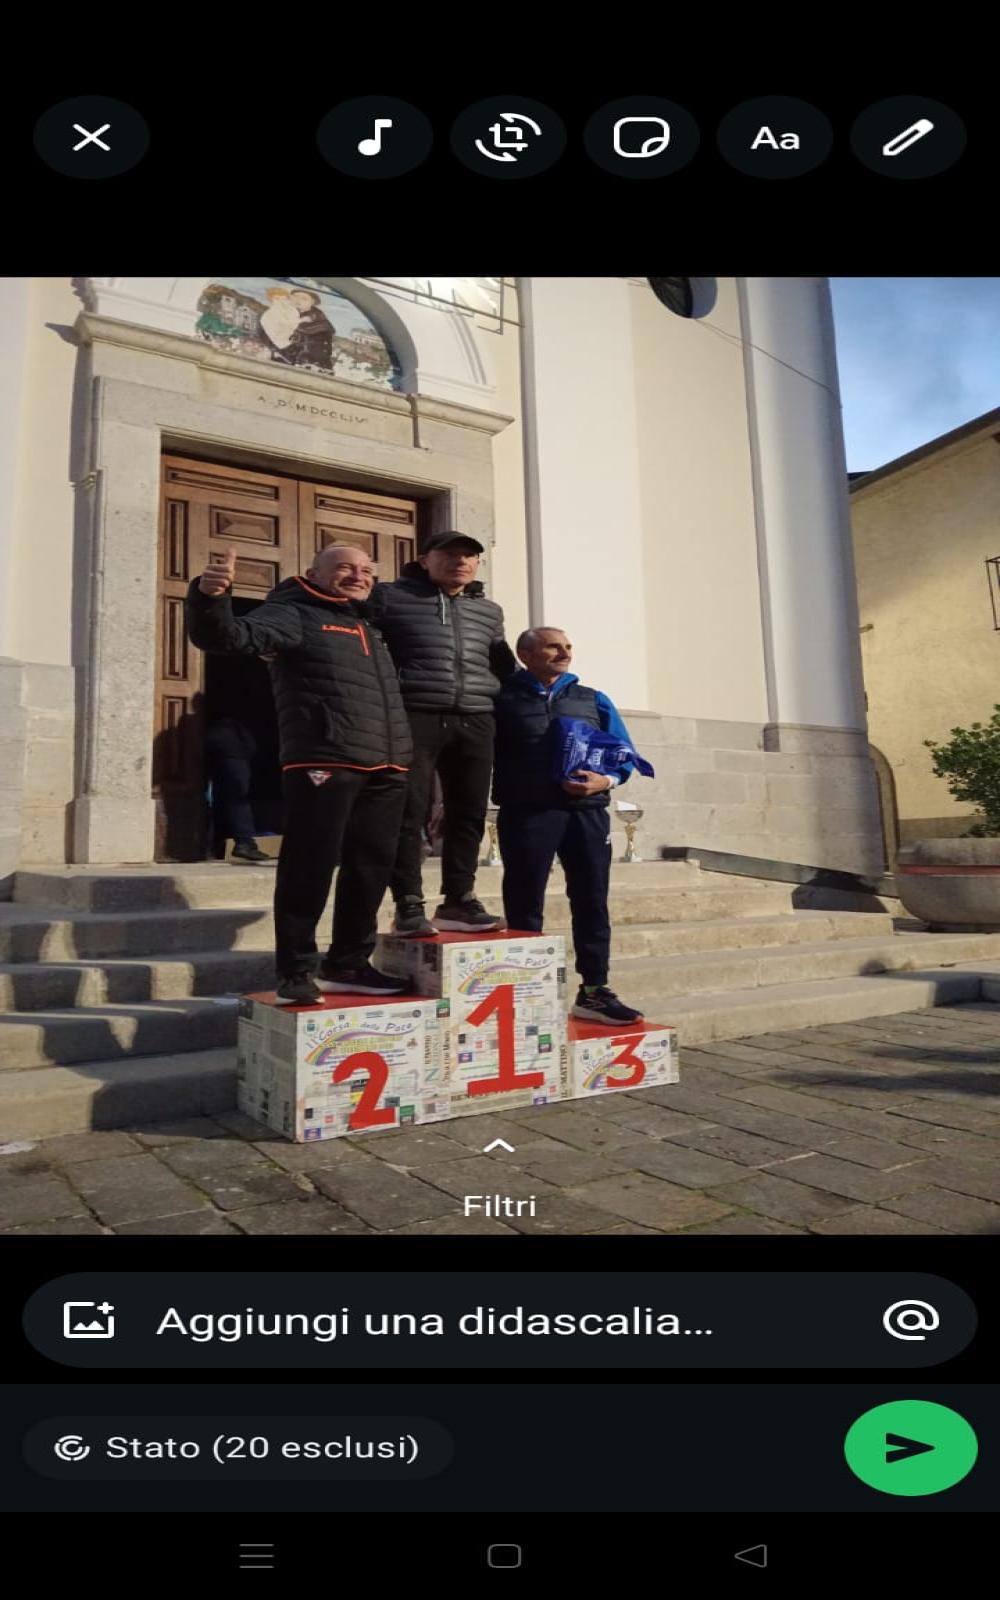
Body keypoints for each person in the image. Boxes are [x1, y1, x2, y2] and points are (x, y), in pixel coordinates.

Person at [186, 543, 412, 1005]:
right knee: (309, 865)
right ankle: (295, 970)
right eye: (345, 567)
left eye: (367, 570)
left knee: (370, 867)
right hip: (325, 759)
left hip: (385, 764)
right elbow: (228, 637)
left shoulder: (370, 624)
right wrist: (210, 598)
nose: (358, 576)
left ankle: (348, 962)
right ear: (313, 573)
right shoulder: (294, 612)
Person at [492, 626, 644, 1025]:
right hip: (527, 812)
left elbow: (623, 752)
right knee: (524, 901)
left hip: (586, 812)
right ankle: (525, 990)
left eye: (568, 646)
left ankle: (594, 991)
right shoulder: (502, 699)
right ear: (526, 655)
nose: (564, 653)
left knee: (591, 899)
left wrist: (604, 780)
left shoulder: (593, 698)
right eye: (552, 647)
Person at [367, 531, 517, 935]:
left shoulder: (489, 611)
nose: (460, 561)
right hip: (414, 712)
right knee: (409, 811)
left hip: (476, 716)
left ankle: (459, 900)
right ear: (424, 559)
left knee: (468, 812)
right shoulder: (389, 597)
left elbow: (501, 663)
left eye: (469, 556)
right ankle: (408, 903)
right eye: (449, 554)